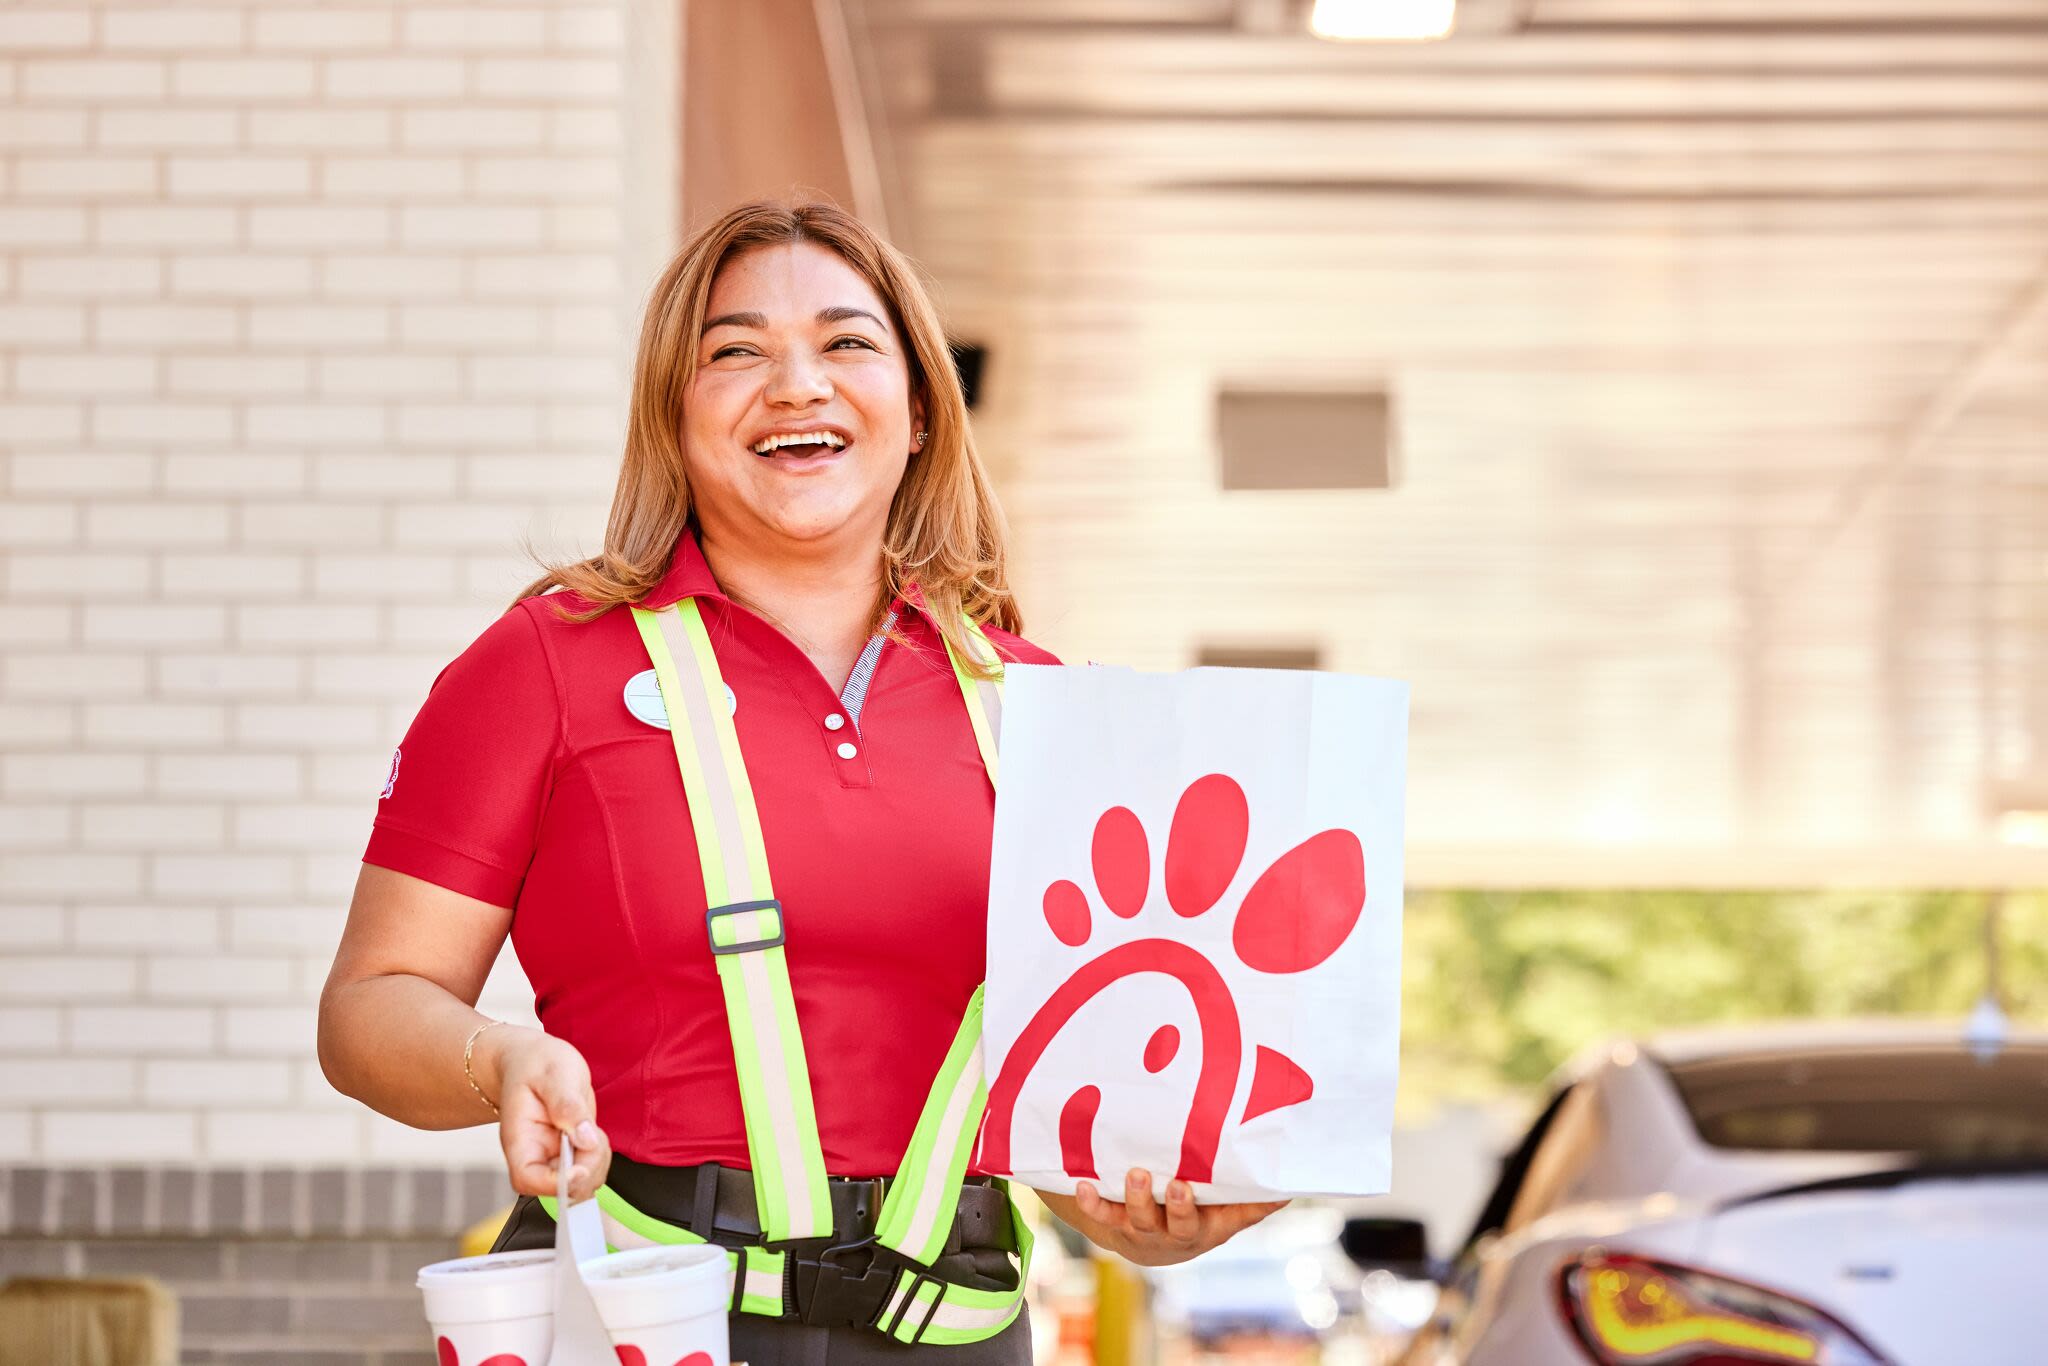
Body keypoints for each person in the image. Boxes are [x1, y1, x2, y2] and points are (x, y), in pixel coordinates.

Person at [317, 200, 1285, 1363]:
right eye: (735, 352)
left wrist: (1135, 1209)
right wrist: (501, 1059)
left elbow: (1041, 1090)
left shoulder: (1043, 707)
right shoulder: (543, 666)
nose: (795, 387)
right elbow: (369, 1006)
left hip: (954, 1329)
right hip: (644, 1319)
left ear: (919, 410)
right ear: (675, 416)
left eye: (845, 344)